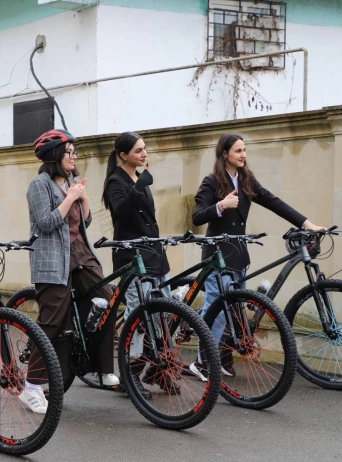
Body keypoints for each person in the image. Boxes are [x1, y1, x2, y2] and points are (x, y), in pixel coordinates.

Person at [189, 132, 324, 380]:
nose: (243, 155)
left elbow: (275, 202)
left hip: (239, 254)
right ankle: (202, 361)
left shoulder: (246, 180)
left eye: (244, 150)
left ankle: (223, 359)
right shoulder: (212, 181)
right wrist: (220, 206)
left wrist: (308, 224)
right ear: (225, 154)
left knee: (234, 310)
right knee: (217, 310)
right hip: (217, 256)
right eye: (238, 150)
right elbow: (197, 216)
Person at [24, 129, 119, 413]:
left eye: (75, 152)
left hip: (79, 252)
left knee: (107, 299)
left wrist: (83, 197)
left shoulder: (70, 182)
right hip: (53, 258)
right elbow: (45, 222)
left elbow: (83, 223)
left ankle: (100, 368)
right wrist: (69, 198)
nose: (74, 157)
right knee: (54, 321)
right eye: (69, 152)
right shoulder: (39, 185)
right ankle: (31, 387)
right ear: (55, 154)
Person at [101, 131, 176, 396]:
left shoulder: (139, 179)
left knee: (166, 314)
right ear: (123, 155)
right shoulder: (115, 181)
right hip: (132, 258)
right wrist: (139, 184)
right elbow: (120, 211)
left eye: (145, 149)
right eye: (138, 150)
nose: (144, 154)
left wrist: (141, 182)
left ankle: (159, 370)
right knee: (139, 318)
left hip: (155, 255)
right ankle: (129, 376)